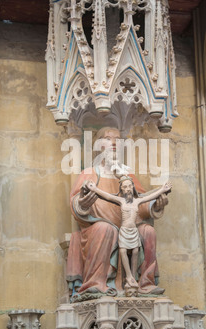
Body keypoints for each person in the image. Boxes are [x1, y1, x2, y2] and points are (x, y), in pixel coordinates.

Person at [66, 127, 169, 299]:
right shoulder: (89, 173)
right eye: (107, 138)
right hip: (98, 229)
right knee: (106, 229)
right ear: (99, 145)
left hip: (128, 226)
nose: (113, 143)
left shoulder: (127, 175)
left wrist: (156, 205)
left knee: (148, 231)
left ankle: (145, 284)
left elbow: (140, 202)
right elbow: (76, 201)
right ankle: (97, 283)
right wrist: (83, 203)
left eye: (117, 140)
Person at [85, 176, 172, 290]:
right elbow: (107, 196)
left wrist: (163, 189)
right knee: (123, 251)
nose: (128, 189)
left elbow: (150, 197)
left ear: (133, 187)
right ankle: (129, 276)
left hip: (134, 231)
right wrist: (95, 189)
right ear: (121, 189)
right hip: (125, 230)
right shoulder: (121, 201)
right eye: (125, 187)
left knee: (135, 251)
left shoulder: (137, 201)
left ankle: (133, 277)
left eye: (130, 186)